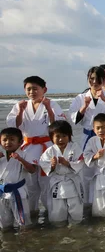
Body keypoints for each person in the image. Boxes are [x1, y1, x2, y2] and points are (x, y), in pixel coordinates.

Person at [6, 76, 66, 214]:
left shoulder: (52, 104)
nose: (32, 92)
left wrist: (49, 108)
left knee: (47, 182)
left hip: (47, 145)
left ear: (44, 89)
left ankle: (52, 212)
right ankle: (31, 213)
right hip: (28, 147)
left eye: (35, 88)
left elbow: (59, 125)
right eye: (29, 89)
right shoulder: (20, 105)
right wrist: (20, 111)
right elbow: (14, 127)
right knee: (29, 183)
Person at [69, 67, 105, 205]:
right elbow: (74, 120)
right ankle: (88, 203)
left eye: (98, 79)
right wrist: (84, 106)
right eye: (91, 78)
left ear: (103, 80)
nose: (94, 82)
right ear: (88, 79)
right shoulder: (80, 98)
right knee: (87, 171)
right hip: (87, 138)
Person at [39, 121, 85, 225]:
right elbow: (43, 163)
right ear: (51, 137)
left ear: (69, 136)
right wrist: (52, 165)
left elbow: (81, 161)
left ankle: (76, 227)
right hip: (57, 184)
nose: (61, 139)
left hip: (72, 182)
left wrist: (67, 163)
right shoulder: (50, 151)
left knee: (75, 211)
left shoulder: (75, 147)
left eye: (64, 136)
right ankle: (59, 230)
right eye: (57, 136)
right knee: (57, 212)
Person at [0, 128, 36, 229]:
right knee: (4, 224)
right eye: (5, 140)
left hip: (18, 193)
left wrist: (20, 159)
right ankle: (8, 243)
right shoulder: (1, 157)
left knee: (23, 222)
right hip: (2, 193)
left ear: (20, 142)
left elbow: (32, 170)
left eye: (12, 139)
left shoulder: (24, 154)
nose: (8, 142)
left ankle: (24, 242)